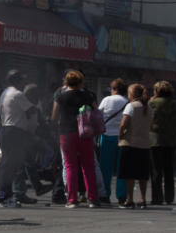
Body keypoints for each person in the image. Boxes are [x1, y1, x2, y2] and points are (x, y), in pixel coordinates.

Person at [50, 70, 98, 208]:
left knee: (70, 166)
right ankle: (93, 199)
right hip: (85, 133)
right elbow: (96, 112)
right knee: (88, 165)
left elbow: (54, 116)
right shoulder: (88, 96)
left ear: (66, 82)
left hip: (66, 132)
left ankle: (72, 199)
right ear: (81, 81)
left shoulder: (61, 97)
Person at [0, 70, 38, 208]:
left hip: (6, 130)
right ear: (17, 81)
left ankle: (6, 196)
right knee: (10, 166)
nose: (23, 83)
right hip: (14, 132)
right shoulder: (17, 94)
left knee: (8, 165)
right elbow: (32, 110)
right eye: (21, 80)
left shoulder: (5, 93)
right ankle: (4, 198)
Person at [118, 83, 152, 209]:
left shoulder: (130, 106)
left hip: (130, 144)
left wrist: (120, 136)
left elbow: (123, 125)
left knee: (130, 174)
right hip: (145, 145)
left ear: (132, 94)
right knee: (142, 175)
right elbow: (151, 126)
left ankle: (130, 199)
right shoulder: (149, 108)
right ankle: (143, 199)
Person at [97, 79, 129, 205]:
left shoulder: (106, 100)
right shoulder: (127, 102)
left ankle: (105, 195)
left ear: (114, 89)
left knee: (106, 168)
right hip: (122, 138)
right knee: (121, 168)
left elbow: (99, 115)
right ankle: (121, 196)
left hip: (106, 136)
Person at [148, 81, 176, 205]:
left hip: (155, 140)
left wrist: (152, 99)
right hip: (170, 140)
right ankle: (169, 197)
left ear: (157, 91)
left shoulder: (152, 103)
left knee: (156, 170)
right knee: (169, 170)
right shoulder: (174, 104)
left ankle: (157, 198)